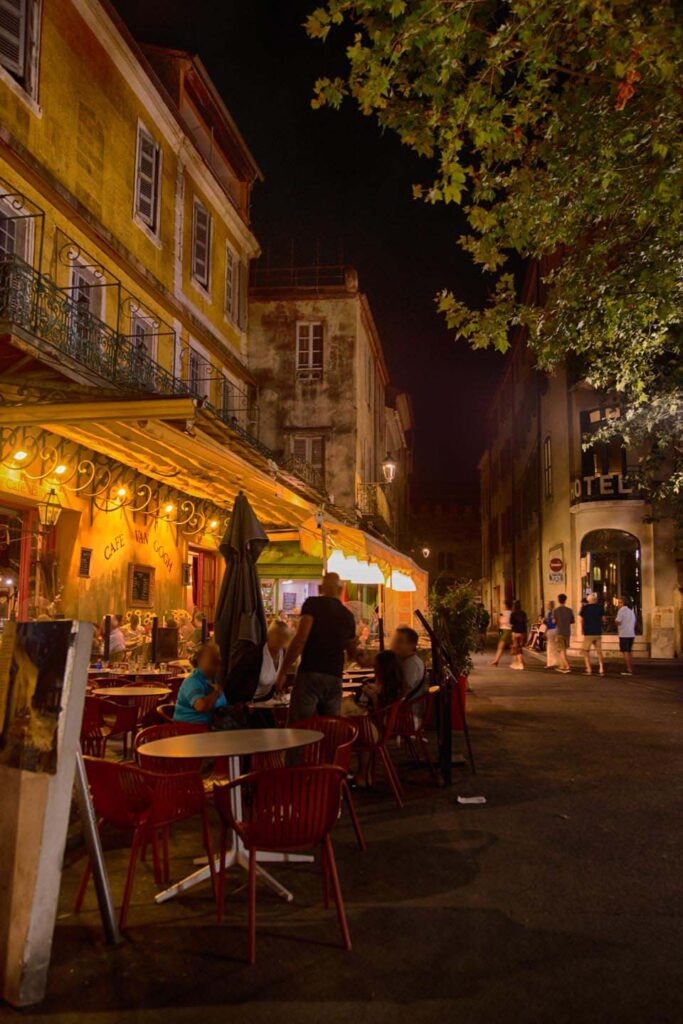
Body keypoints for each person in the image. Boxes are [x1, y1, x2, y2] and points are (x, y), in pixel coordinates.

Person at [276, 572, 359, 720]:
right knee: (330, 727)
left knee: (299, 729)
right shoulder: (348, 616)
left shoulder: (312, 604)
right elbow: (352, 651)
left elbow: (301, 639)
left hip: (309, 673)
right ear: (340, 590)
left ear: (321, 588)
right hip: (334, 677)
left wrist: (283, 671)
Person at [342, 650, 404, 788]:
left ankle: (348, 774)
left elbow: (383, 717)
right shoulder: (369, 681)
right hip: (365, 725)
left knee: (338, 733)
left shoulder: (392, 689)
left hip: (376, 729)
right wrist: (358, 698)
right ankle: (362, 774)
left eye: (377, 667)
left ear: (385, 669)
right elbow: (358, 702)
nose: (374, 668)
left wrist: (375, 698)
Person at [225, 620, 291, 704]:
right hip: (248, 702)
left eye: (284, 639)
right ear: (270, 636)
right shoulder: (254, 655)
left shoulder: (283, 653)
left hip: (267, 701)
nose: (282, 643)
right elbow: (234, 678)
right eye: (279, 638)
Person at [174, 642, 226, 725]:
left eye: (218, 658)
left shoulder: (214, 680)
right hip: (189, 730)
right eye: (212, 659)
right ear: (201, 661)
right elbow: (201, 706)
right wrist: (216, 693)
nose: (218, 661)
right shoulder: (192, 681)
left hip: (210, 729)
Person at [391, 626, 426, 698]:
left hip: (408, 708)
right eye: (395, 640)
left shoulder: (412, 664)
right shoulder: (408, 661)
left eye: (400, 641)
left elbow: (403, 693)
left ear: (412, 645)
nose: (395, 644)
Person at [579, 592, 606, 676]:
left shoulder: (584, 608)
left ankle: (589, 668)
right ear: (595, 600)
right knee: (599, 651)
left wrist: (583, 629)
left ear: (588, 600)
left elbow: (581, 620)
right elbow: (603, 619)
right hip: (597, 632)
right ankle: (601, 668)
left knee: (585, 651)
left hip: (588, 632)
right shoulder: (600, 607)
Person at [553, 593, 575, 673]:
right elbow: (572, 621)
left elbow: (554, 622)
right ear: (565, 600)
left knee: (561, 650)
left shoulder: (556, 611)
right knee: (563, 649)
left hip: (560, 632)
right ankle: (562, 665)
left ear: (559, 600)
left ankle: (567, 666)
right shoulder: (569, 610)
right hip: (567, 632)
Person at [615, 596, 637, 676]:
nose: (618, 604)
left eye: (619, 602)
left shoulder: (621, 611)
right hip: (631, 634)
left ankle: (628, 669)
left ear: (623, 603)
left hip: (624, 634)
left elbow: (618, 621)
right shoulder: (631, 611)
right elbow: (634, 623)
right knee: (629, 651)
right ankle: (631, 667)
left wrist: (616, 622)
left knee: (625, 652)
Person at [491, 601, 512, 667]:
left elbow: (502, 621)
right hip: (504, 630)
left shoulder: (508, 613)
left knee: (501, 646)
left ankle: (496, 661)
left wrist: (501, 620)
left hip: (506, 630)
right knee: (512, 646)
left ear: (506, 606)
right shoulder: (507, 613)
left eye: (503, 605)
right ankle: (520, 661)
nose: (502, 606)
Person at [509, 600, 528, 670]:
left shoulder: (513, 614)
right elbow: (525, 623)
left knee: (516, 648)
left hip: (515, 632)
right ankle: (520, 661)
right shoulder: (523, 613)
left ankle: (520, 663)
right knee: (520, 647)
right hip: (522, 632)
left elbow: (511, 624)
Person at [544, 600, 558, 669]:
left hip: (551, 630)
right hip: (555, 630)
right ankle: (555, 662)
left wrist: (545, 631)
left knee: (549, 647)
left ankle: (550, 663)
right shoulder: (554, 612)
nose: (547, 606)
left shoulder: (550, 613)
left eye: (547, 605)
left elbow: (550, 623)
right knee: (554, 647)